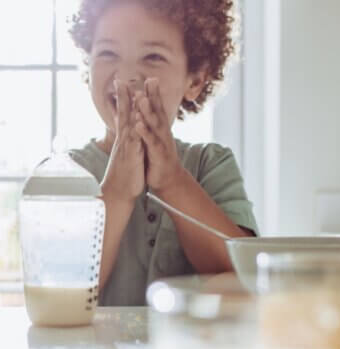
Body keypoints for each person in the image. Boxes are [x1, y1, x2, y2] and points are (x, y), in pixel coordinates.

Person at [67, 0, 258, 305]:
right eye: (107, 53)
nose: (125, 77)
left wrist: (172, 181)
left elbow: (244, 276)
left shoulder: (211, 165)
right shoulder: (67, 173)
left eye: (153, 56)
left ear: (194, 80)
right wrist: (116, 192)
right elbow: (65, 291)